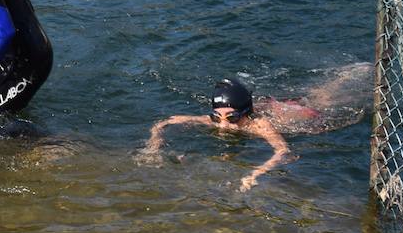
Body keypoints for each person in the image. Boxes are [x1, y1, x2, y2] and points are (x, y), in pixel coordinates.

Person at [139, 65, 372, 190]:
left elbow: (283, 151)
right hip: (263, 107)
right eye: (216, 117)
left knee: (321, 99)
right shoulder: (217, 120)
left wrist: (256, 172)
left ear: (246, 114)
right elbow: (166, 121)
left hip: (295, 115)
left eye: (232, 118)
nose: (223, 126)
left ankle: (346, 77)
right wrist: (154, 144)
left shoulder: (260, 126)